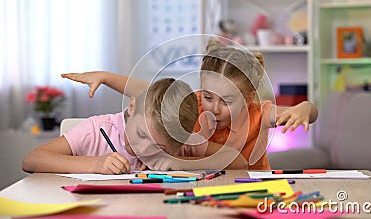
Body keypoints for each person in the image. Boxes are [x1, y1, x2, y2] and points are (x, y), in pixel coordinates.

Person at [61, 38, 318, 170]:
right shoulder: (191, 103)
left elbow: (309, 111)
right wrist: (105, 77)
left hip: (251, 184)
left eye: (227, 101)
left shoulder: (260, 112)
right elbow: (147, 90)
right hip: (201, 187)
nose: (214, 108)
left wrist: (303, 109)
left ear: (249, 97)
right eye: (208, 96)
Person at [22, 78, 248, 174]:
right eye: (141, 133)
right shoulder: (97, 130)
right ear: (132, 106)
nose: (143, 148)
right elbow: (31, 160)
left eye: (158, 145)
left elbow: (238, 160)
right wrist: (95, 164)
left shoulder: (178, 140)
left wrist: (178, 161)